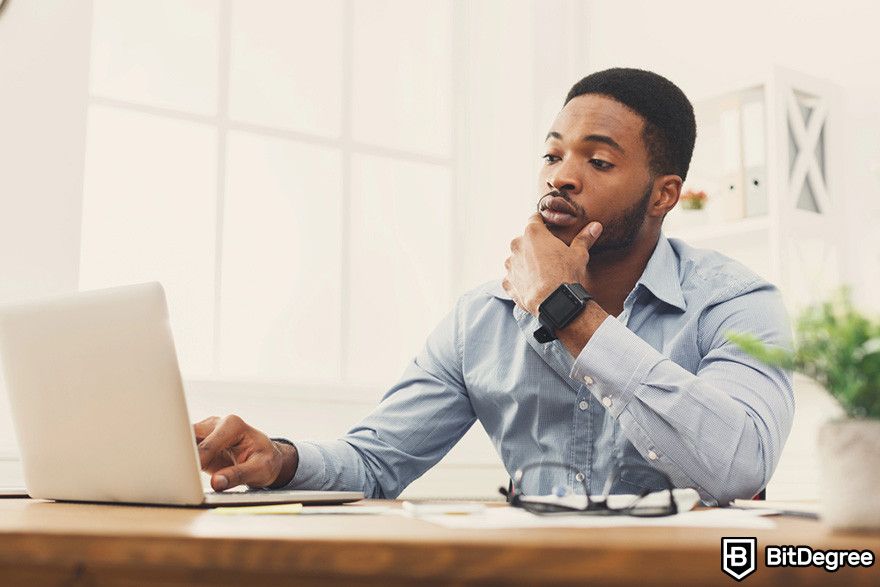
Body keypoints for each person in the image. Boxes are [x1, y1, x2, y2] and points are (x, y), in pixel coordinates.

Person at [194, 68, 794, 506]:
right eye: (552, 154)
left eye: (599, 162)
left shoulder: (735, 302)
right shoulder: (481, 318)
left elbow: (739, 465)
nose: (562, 176)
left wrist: (566, 312)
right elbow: (376, 461)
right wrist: (280, 459)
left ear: (665, 194)